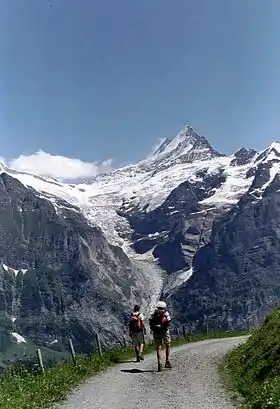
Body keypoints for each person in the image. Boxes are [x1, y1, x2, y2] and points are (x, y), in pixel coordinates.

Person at [149, 300, 172, 372]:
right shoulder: (165, 313)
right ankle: (167, 361)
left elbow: (150, 322)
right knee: (167, 344)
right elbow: (169, 321)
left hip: (156, 331)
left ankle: (159, 363)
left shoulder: (154, 313)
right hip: (165, 331)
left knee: (158, 347)